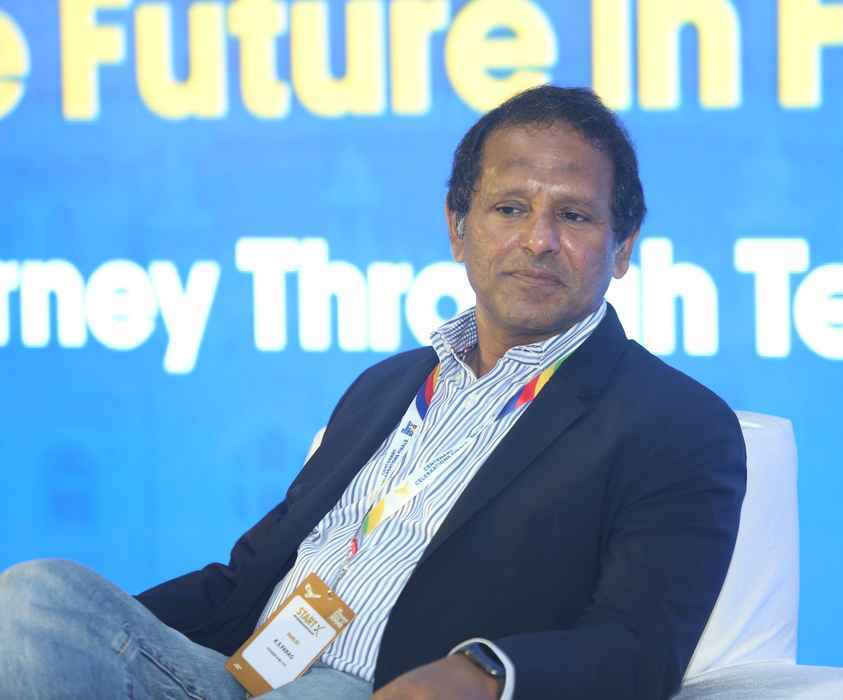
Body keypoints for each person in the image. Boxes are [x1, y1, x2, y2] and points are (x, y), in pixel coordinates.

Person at [0, 86, 745, 700]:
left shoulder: (675, 422)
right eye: (510, 208)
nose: (539, 239)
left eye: (574, 215)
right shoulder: (386, 386)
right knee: (35, 599)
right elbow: (243, 582)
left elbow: (638, 646)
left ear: (623, 248)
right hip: (236, 678)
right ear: (458, 228)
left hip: (382, 688)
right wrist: (91, 641)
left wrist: (484, 673)